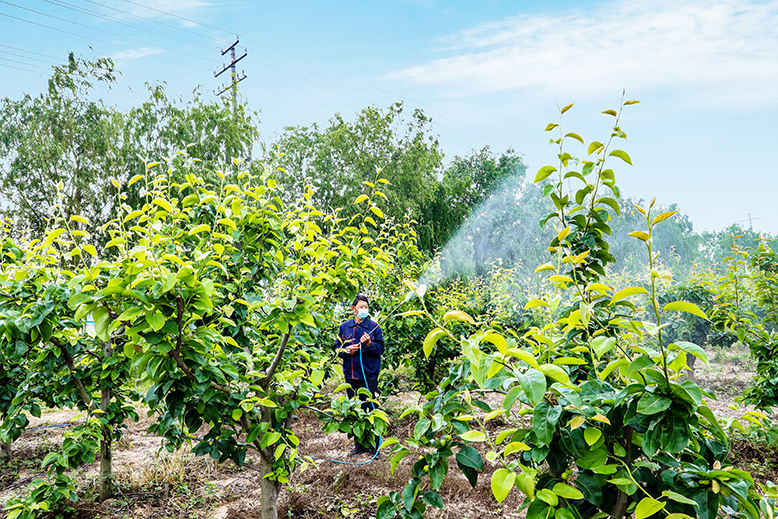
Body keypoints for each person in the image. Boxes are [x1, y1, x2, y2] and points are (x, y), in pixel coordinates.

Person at [334, 294, 384, 457]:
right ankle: (360, 445)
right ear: (353, 309)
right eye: (361, 306)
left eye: (366, 307)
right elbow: (336, 349)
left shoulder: (374, 327)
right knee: (355, 410)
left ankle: (374, 448)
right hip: (351, 375)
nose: (364, 309)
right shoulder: (344, 327)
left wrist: (369, 344)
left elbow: (380, 350)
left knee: (371, 409)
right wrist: (347, 351)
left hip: (368, 375)